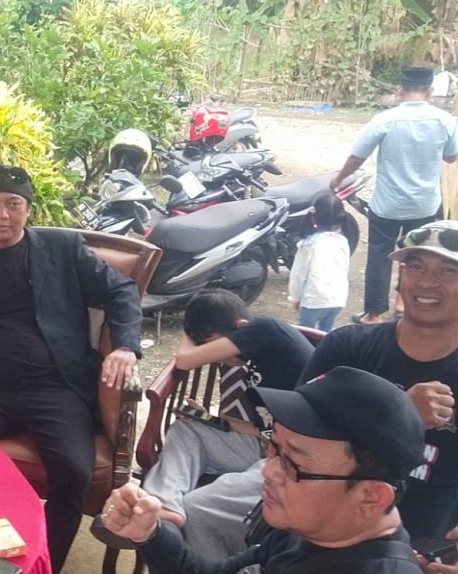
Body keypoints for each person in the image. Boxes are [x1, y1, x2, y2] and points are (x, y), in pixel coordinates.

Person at [171, 219, 458, 562]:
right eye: (415, 266)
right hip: (308, 497)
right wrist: (399, 412)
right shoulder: (348, 346)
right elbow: (290, 433)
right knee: (201, 509)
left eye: (448, 270)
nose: (426, 281)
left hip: (420, 540)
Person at [0, 165, 143, 573]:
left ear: (29, 210)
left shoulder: (63, 248)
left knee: (74, 470)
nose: (2, 214)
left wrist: (125, 347)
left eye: (13, 204)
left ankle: (45, 563)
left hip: (54, 387)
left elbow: (120, 290)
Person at [102, 366, 425, 574]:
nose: (269, 472)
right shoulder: (304, 533)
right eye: (274, 448)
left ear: (370, 497)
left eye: (293, 463)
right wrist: (149, 533)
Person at [142, 289, 314, 528]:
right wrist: (209, 419)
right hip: (265, 446)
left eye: (212, 345)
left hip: (290, 462)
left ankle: (175, 525)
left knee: (198, 504)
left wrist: (189, 329)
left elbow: (184, 360)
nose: (218, 357)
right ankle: (164, 507)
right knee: (186, 429)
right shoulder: (261, 353)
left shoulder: (266, 329)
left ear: (241, 327)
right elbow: (262, 431)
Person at [329, 66, 458, 325]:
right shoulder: (446, 121)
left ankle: (373, 314)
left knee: (379, 256)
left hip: (387, 204)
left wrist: (339, 178)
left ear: (400, 90)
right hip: (424, 204)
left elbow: (358, 156)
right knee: (416, 255)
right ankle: (403, 305)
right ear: (430, 91)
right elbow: (451, 157)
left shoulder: (385, 120)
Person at [287, 193, 350, 331]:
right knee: (326, 332)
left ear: (313, 217)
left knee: (306, 334)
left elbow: (298, 275)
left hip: (313, 300)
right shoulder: (343, 241)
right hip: (337, 299)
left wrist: (295, 298)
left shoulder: (308, 245)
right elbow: (344, 269)